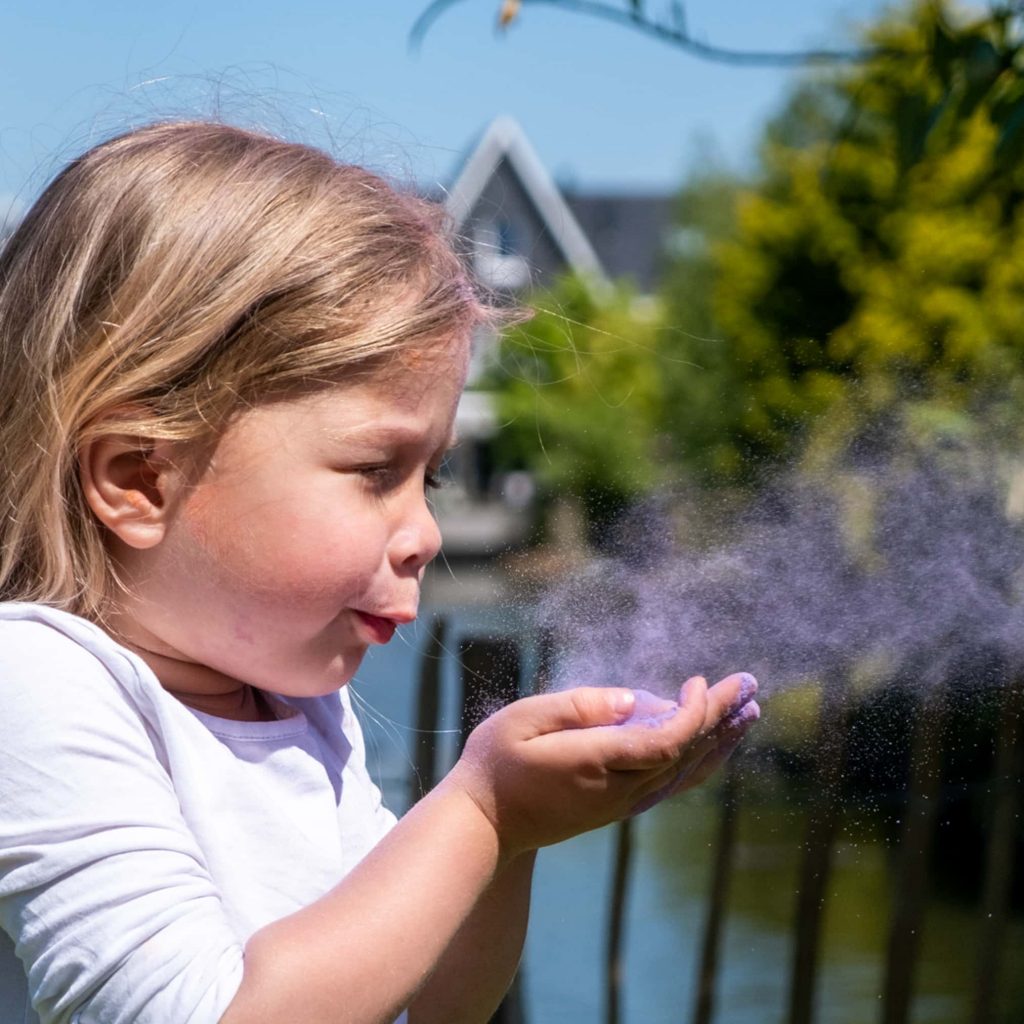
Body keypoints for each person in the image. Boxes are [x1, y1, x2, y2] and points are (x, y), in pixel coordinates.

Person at [0, 121, 760, 1024]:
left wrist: (517, 837)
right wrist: (480, 814)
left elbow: (431, 1007)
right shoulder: (35, 685)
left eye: (431, 476)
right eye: (376, 471)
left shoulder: (298, 703)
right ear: (139, 478)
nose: (429, 532)